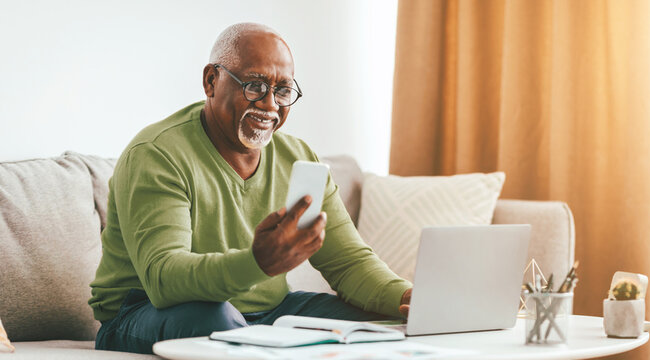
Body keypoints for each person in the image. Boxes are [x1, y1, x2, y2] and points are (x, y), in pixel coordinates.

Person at [88, 23, 412, 354]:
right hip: (145, 312)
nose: (270, 104)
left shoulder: (297, 158)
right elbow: (164, 280)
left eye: (283, 90)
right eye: (254, 85)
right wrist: (258, 262)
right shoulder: (157, 153)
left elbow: (348, 263)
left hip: (269, 313)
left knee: (372, 324)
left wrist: (408, 298)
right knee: (217, 319)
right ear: (211, 81)